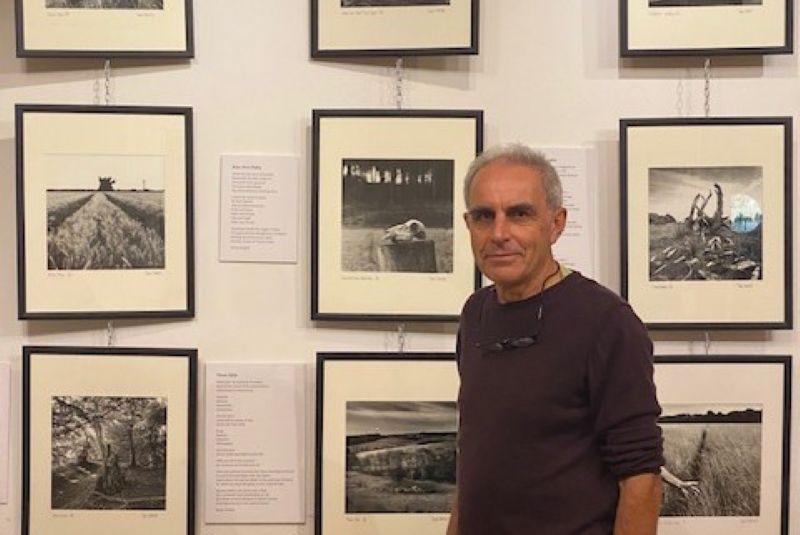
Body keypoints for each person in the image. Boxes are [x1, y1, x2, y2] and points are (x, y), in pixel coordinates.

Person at [447, 143, 664, 535]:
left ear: (556, 223)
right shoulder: (475, 314)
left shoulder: (606, 322)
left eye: (519, 214)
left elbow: (641, 479)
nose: (499, 233)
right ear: (468, 226)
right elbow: (475, 462)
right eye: (484, 216)